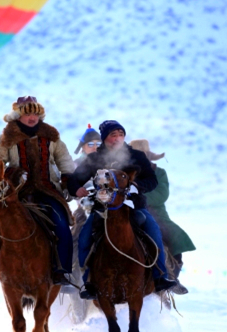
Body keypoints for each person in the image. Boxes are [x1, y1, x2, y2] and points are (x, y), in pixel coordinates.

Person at [0, 96, 76, 290]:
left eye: (35, 113)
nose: (32, 117)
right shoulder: (4, 139)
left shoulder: (53, 138)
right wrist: (13, 173)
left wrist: (68, 180)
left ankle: (62, 270)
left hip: (48, 190)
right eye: (27, 113)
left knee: (61, 224)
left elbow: (65, 162)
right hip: (16, 192)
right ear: (18, 116)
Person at [68, 121, 179, 299]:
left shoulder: (136, 156)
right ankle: (89, 283)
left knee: (154, 232)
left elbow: (152, 180)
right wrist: (77, 189)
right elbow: (74, 180)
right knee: (83, 238)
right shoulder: (94, 159)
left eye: (120, 134)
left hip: (133, 207)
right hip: (102, 210)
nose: (117, 138)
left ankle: (160, 277)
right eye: (113, 135)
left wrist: (136, 185)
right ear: (104, 139)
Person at [130, 139, 196, 280]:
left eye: (144, 154)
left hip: (156, 214)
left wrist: (137, 195)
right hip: (127, 210)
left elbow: (161, 194)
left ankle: (172, 277)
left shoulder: (159, 173)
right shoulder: (124, 172)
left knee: (175, 237)